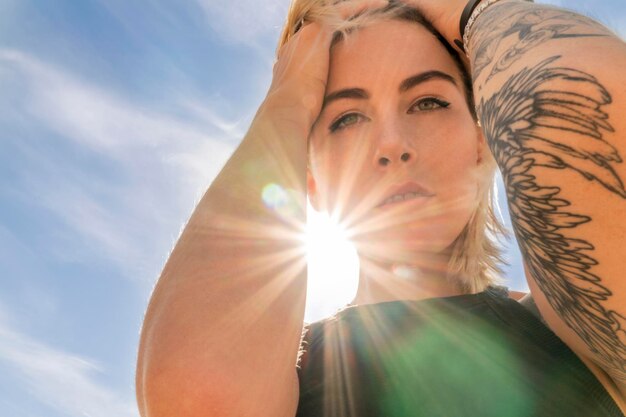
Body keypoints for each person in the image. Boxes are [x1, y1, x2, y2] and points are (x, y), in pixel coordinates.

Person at [135, 0, 626, 416]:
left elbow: (591, 113)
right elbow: (199, 396)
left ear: (481, 142)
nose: (392, 145)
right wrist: (286, 100)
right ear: (313, 184)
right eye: (346, 118)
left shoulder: (570, 329)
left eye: (427, 102)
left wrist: (464, 10)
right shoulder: (288, 372)